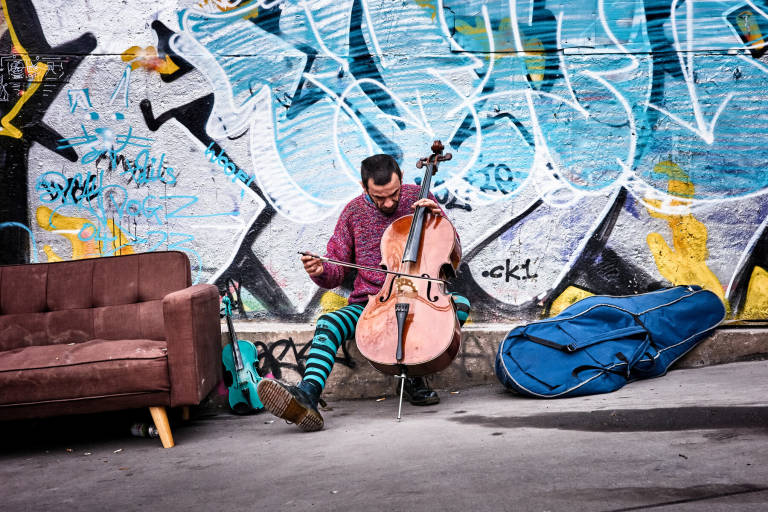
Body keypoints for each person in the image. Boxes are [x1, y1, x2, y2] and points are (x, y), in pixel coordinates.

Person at [256, 154, 470, 431]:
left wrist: (439, 220)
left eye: (393, 195)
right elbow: (336, 273)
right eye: (380, 198)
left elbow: (452, 253)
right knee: (329, 322)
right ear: (364, 186)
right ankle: (308, 394)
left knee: (459, 307)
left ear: (401, 178)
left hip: (420, 299)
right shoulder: (353, 213)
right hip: (372, 305)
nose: (389, 203)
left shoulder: (420, 198)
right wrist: (320, 270)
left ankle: (416, 375)